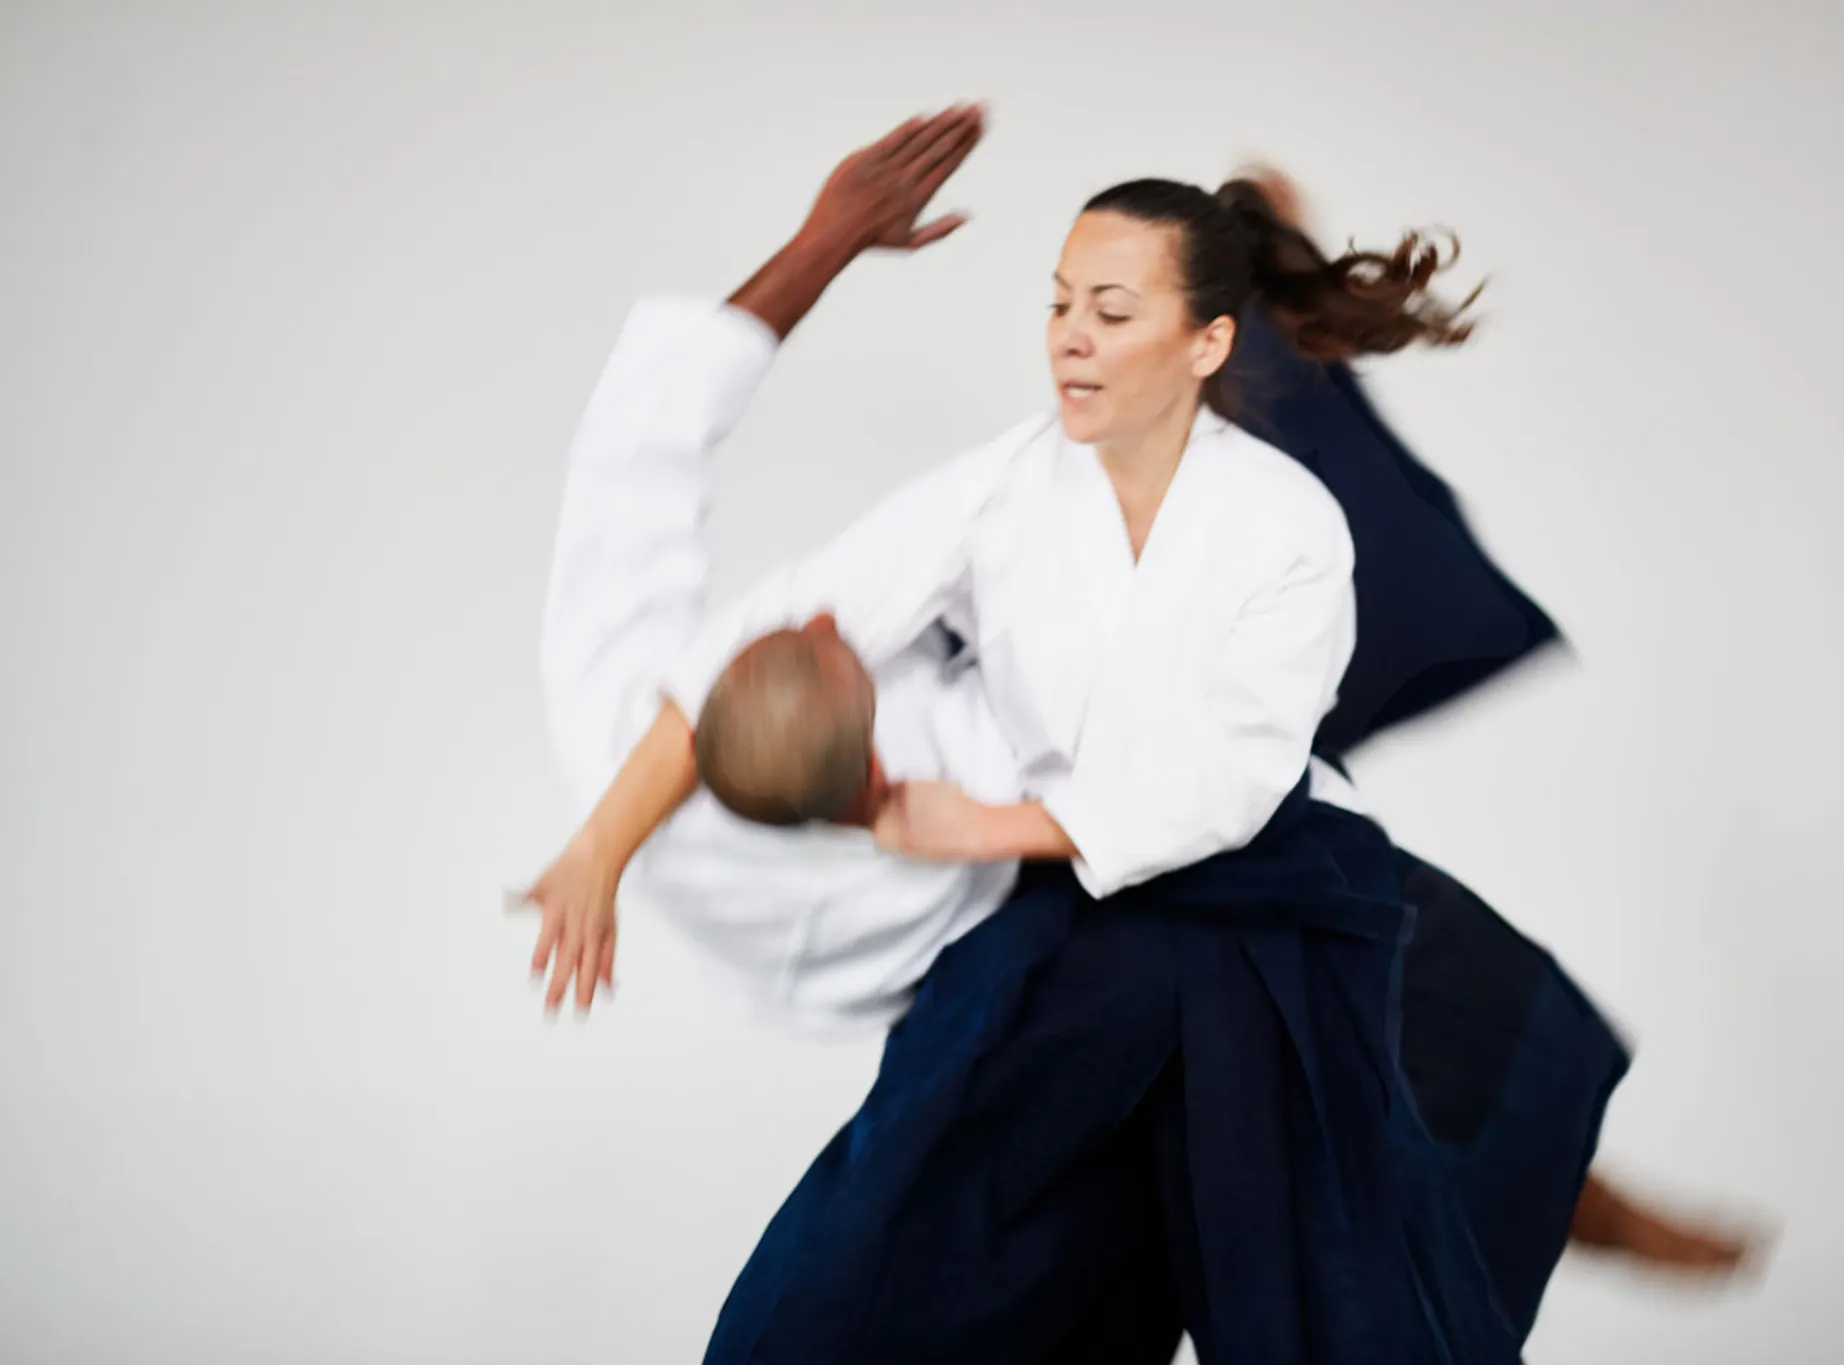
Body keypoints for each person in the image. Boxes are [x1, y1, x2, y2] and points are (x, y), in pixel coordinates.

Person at [525, 108, 1752, 1363]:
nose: (826, 615)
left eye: (1098, 307)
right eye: (1065, 306)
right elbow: (1144, 788)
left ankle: (1559, 1201)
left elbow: (644, 453)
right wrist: (978, 829)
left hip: (1209, 858)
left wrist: (599, 846)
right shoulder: (888, 743)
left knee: (1443, 1068)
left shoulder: (659, 692)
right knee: (929, 1271)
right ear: (869, 767)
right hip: (1050, 945)